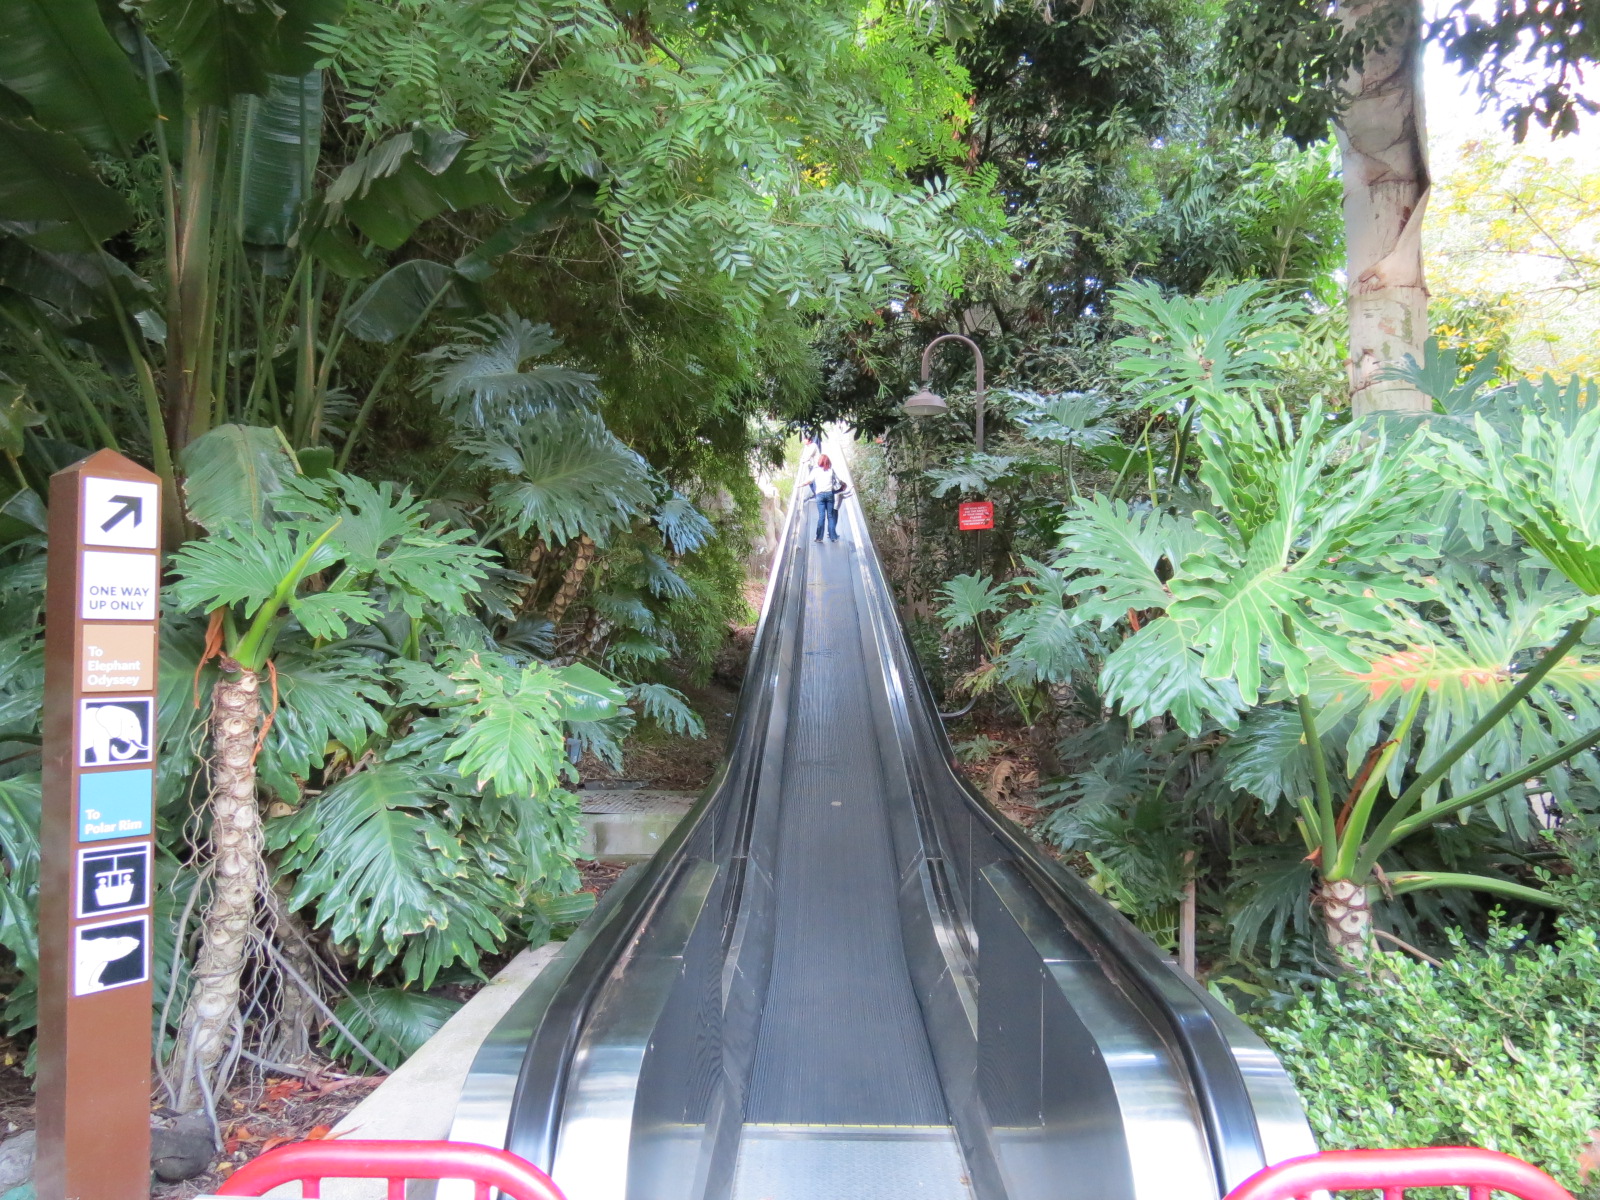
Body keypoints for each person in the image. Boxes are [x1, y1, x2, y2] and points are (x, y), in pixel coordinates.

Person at [806, 453, 844, 543]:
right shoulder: (831, 470)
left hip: (820, 495)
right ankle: (833, 537)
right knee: (830, 516)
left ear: (820, 461)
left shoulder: (815, 471)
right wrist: (844, 484)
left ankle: (819, 537)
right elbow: (838, 481)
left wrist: (800, 485)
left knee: (821, 517)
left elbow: (809, 481)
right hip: (830, 494)